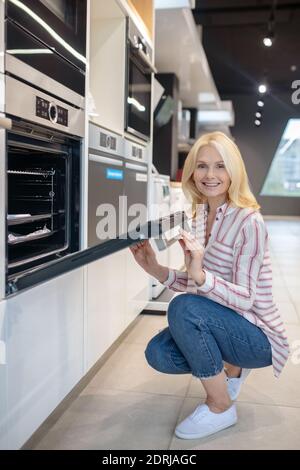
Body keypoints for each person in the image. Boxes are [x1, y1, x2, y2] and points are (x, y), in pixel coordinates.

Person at [129, 131, 290, 440]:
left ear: (234, 171)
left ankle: (220, 406)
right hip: (224, 320)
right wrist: (156, 268)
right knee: (158, 353)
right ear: (192, 172)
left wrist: (201, 276)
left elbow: (243, 299)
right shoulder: (201, 214)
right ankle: (230, 366)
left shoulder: (249, 221)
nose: (210, 175)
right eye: (202, 166)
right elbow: (195, 281)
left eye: (220, 166)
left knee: (183, 307)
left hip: (257, 335)